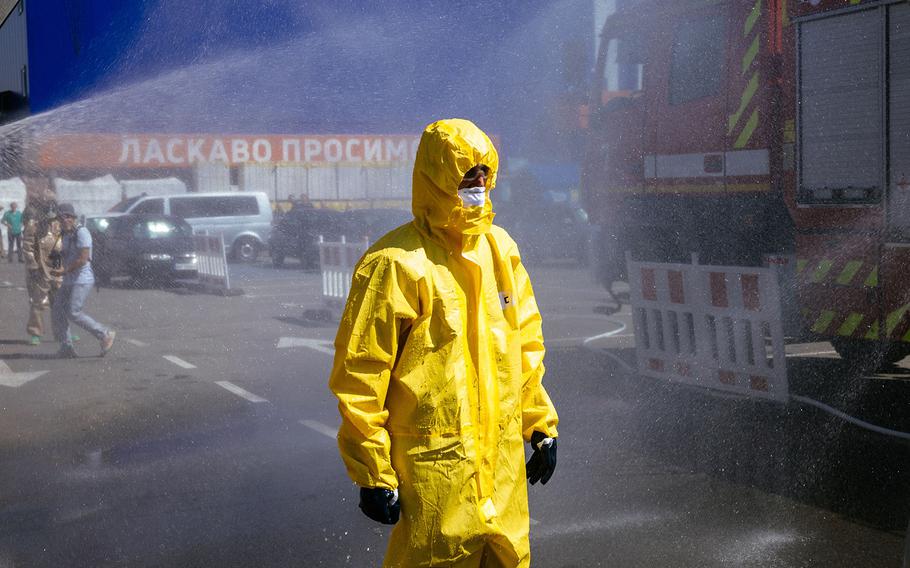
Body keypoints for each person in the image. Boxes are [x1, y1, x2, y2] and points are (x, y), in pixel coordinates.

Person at [329, 119, 559, 568]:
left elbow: (525, 344)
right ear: (435, 177)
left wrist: (540, 426)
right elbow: (361, 373)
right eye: (464, 174)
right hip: (435, 475)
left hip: (502, 471)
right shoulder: (395, 263)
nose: (476, 184)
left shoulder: (500, 250)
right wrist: (373, 472)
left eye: (482, 174)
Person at [51, 203, 115, 358]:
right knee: (58, 310)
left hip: (82, 279)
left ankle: (104, 334)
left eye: (67, 217)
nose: (63, 220)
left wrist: (63, 270)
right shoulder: (64, 234)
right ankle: (66, 347)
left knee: (73, 312)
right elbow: (61, 254)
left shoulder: (82, 232)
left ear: (73, 218)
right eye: (61, 217)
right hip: (68, 279)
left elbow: (83, 259)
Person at [23, 197, 63, 346]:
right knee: (38, 302)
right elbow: (27, 248)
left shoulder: (58, 225)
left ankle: (63, 332)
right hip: (40, 269)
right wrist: (33, 266)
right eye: (47, 207)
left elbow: (62, 245)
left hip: (57, 268)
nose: (50, 210)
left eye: (53, 207)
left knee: (60, 302)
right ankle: (35, 332)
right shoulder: (33, 226)